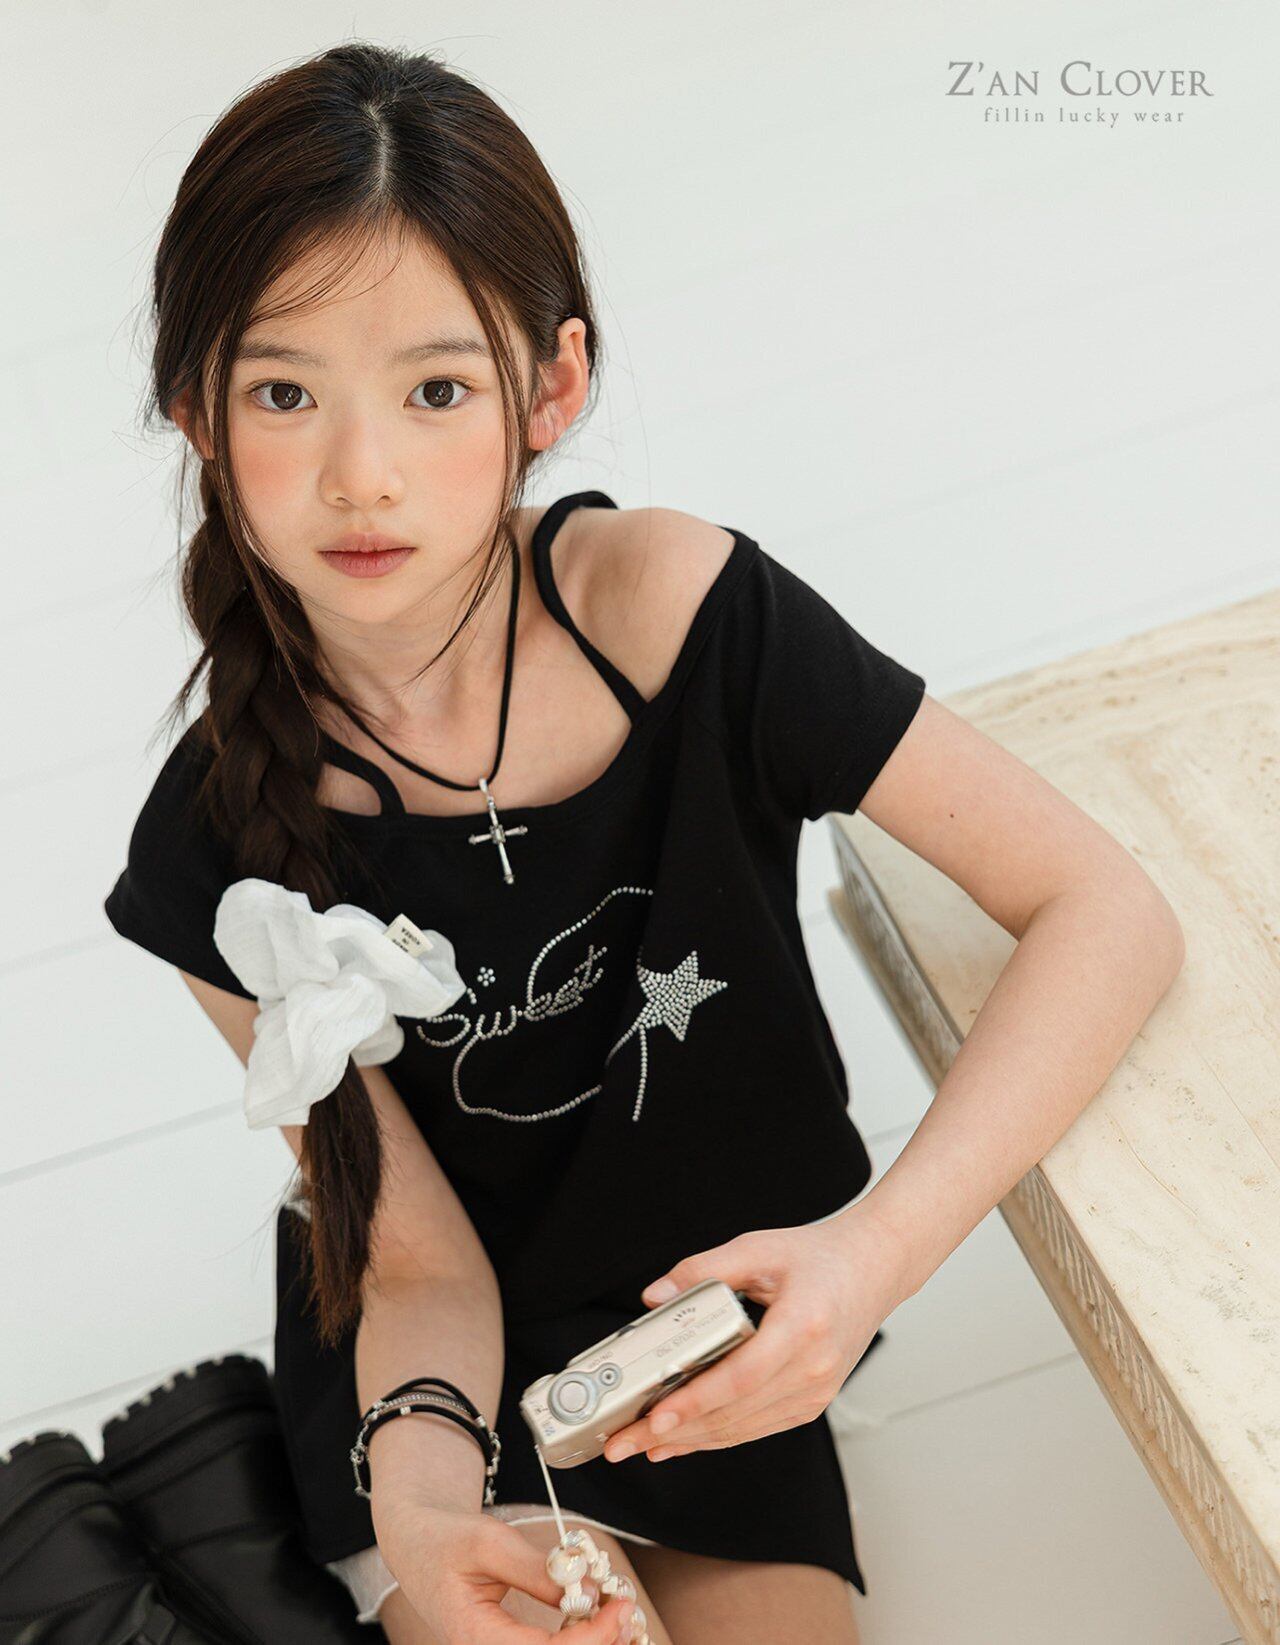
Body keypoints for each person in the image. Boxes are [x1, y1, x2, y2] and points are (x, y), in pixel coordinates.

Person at [103, 41, 1186, 1645]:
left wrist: (871, 1257)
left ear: (551, 387)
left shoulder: (678, 615)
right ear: (197, 406)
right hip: (438, 1391)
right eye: (284, 393)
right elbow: (415, 1263)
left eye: (436, 390)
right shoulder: (215, 838)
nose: (361, 475)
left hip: (720, 1328)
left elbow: (1105, 908)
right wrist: (427, 1513)